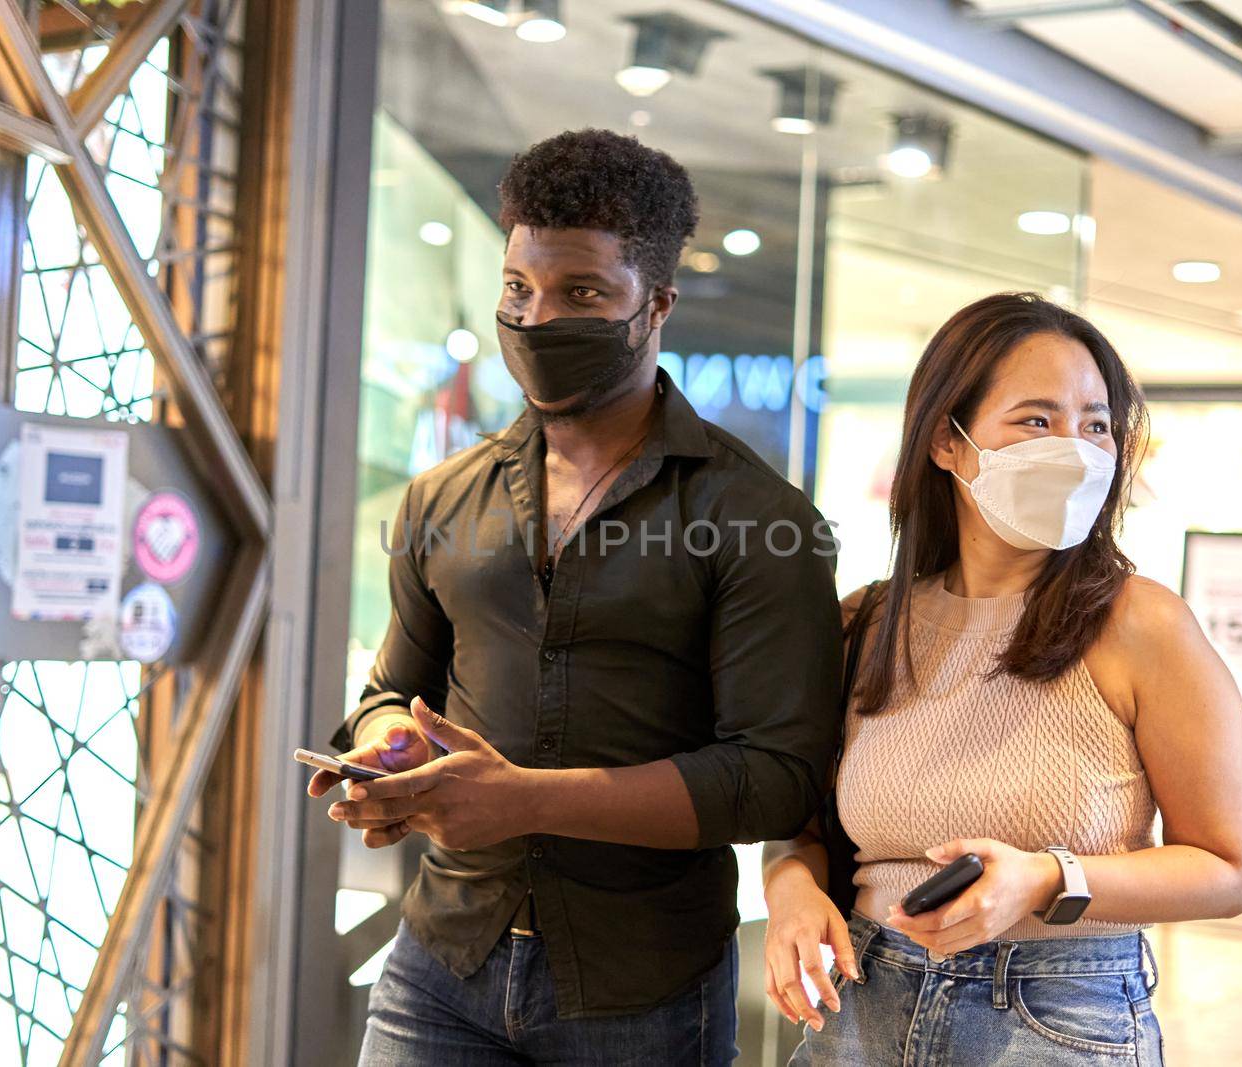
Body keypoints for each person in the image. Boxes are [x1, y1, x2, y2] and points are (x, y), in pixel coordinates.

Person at [310, 129, 843, 1065]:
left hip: (644, 988)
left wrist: (524, 801)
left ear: (657, 305)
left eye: (583, 294)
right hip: (440, 963)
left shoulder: (759, 516)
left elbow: (776, 777)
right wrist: (383, 753)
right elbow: (392, 690)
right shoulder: (442, 498)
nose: (539, 317)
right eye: (520, 289)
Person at [762, 293, 1242, 1065]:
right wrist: (790, 886)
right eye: (1037, 420)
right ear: (947, 443)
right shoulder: (865, 622)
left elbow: (1230, 868)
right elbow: (801, 818)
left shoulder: (1143, 624)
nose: (1076, 448)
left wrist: (1046, 879)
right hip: (865, 1001)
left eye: (1095, 423)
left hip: (1056, 1013)